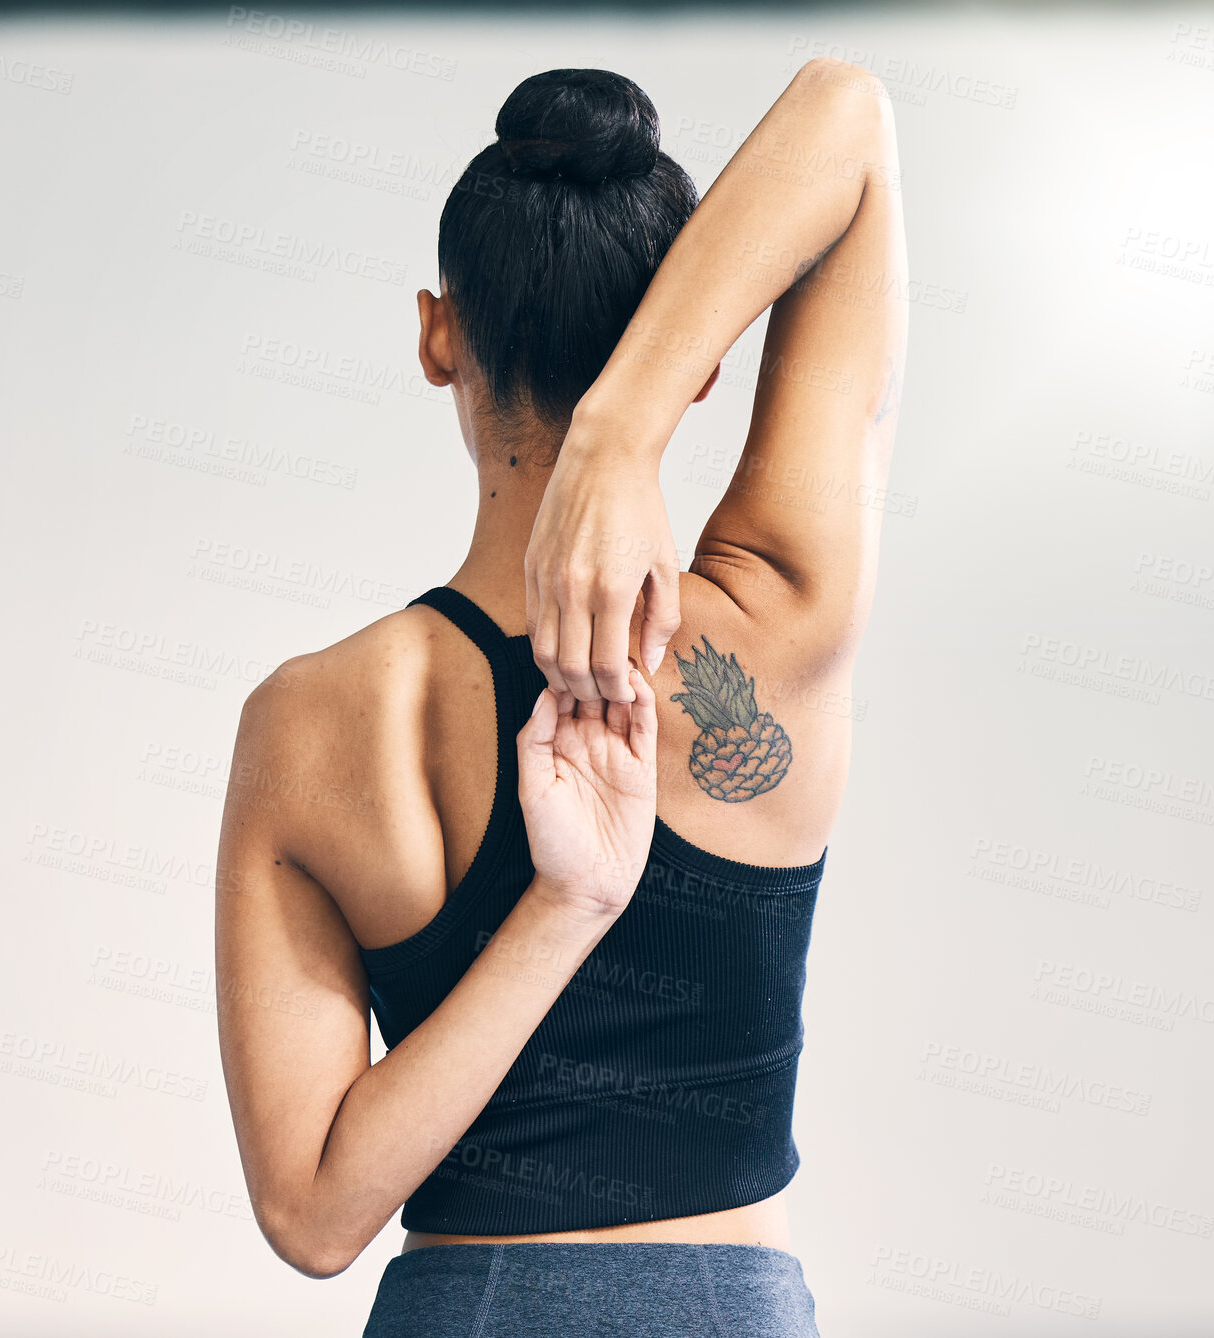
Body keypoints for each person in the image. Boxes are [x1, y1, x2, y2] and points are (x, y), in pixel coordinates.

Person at [215, 59, 906, 1337]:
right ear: (694, 357)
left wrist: (554, 917)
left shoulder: (307, 723)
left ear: (438, 335)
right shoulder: (774, 623)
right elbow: (847, 118)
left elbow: (313, 1216)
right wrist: (626, 427)